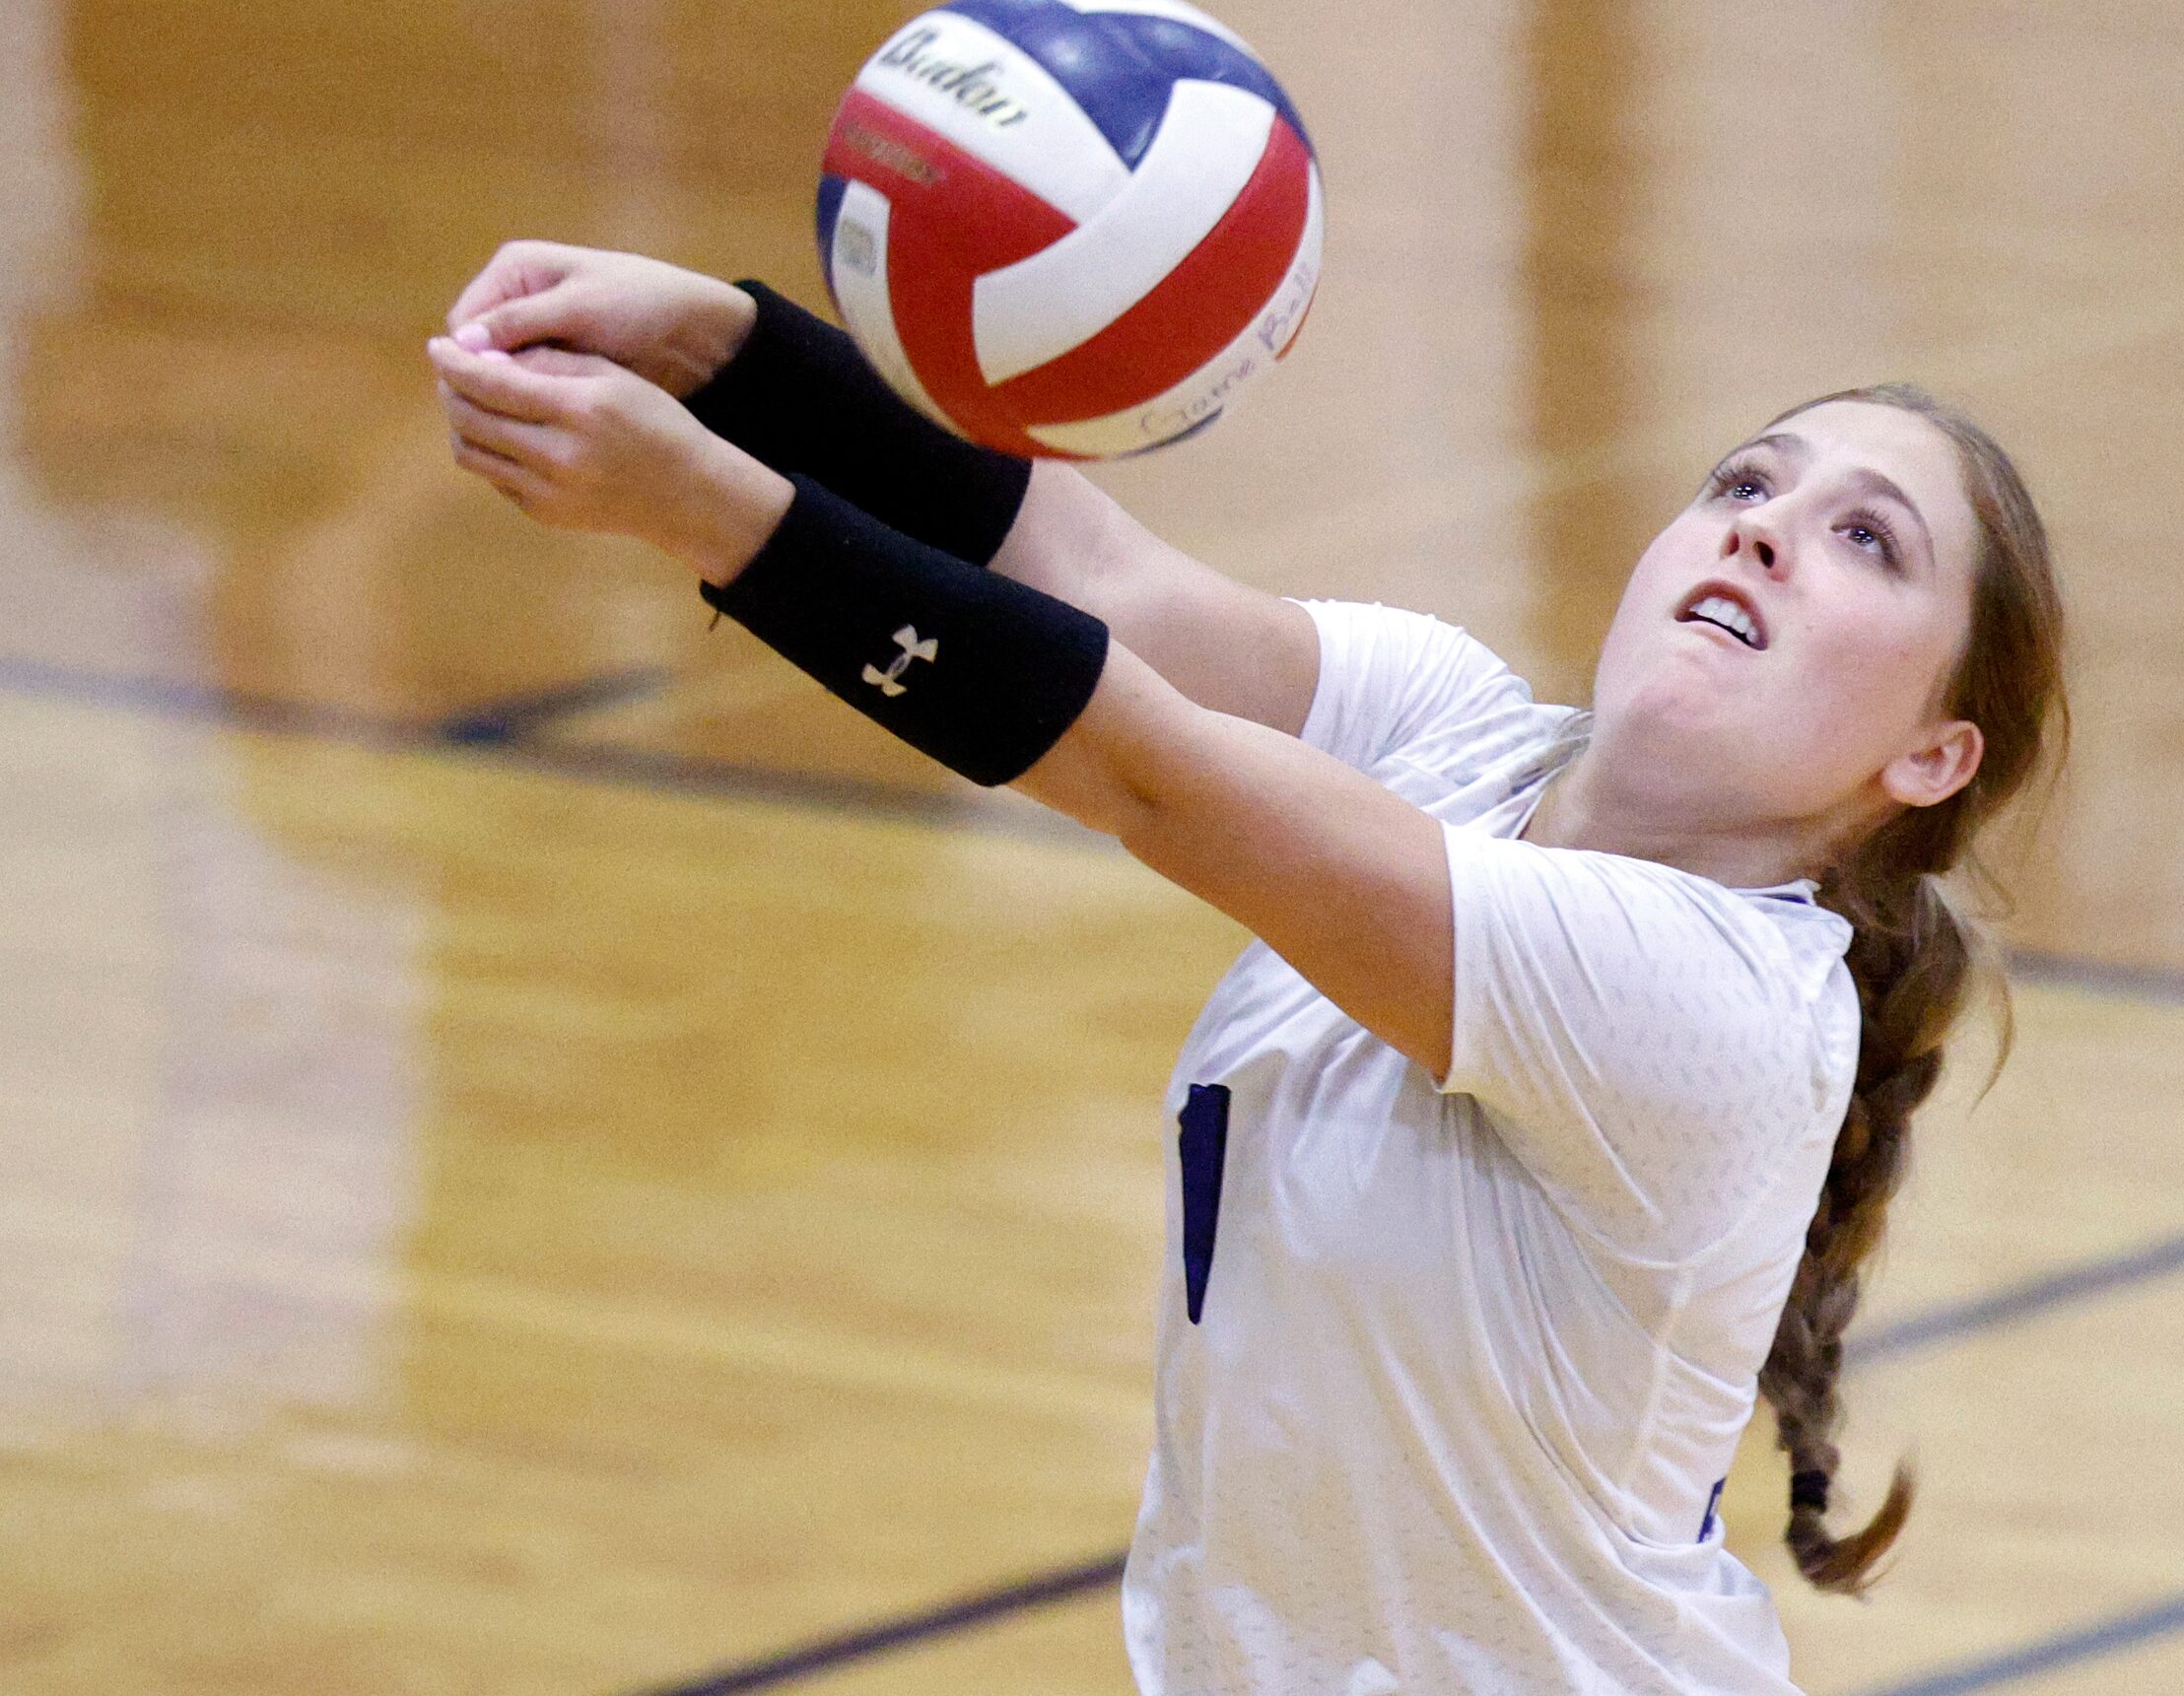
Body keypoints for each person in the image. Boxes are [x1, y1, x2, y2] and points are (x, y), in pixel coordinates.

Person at [427, 241, 2070, 1696]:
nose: (1768, 531)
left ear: (1931, 755)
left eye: (1865, 538)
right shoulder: (1453, 729)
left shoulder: (1710, 998)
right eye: (1743, 484)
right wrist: (728, 350)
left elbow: (1144, 768)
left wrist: (700, 505)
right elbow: (1088, 576)